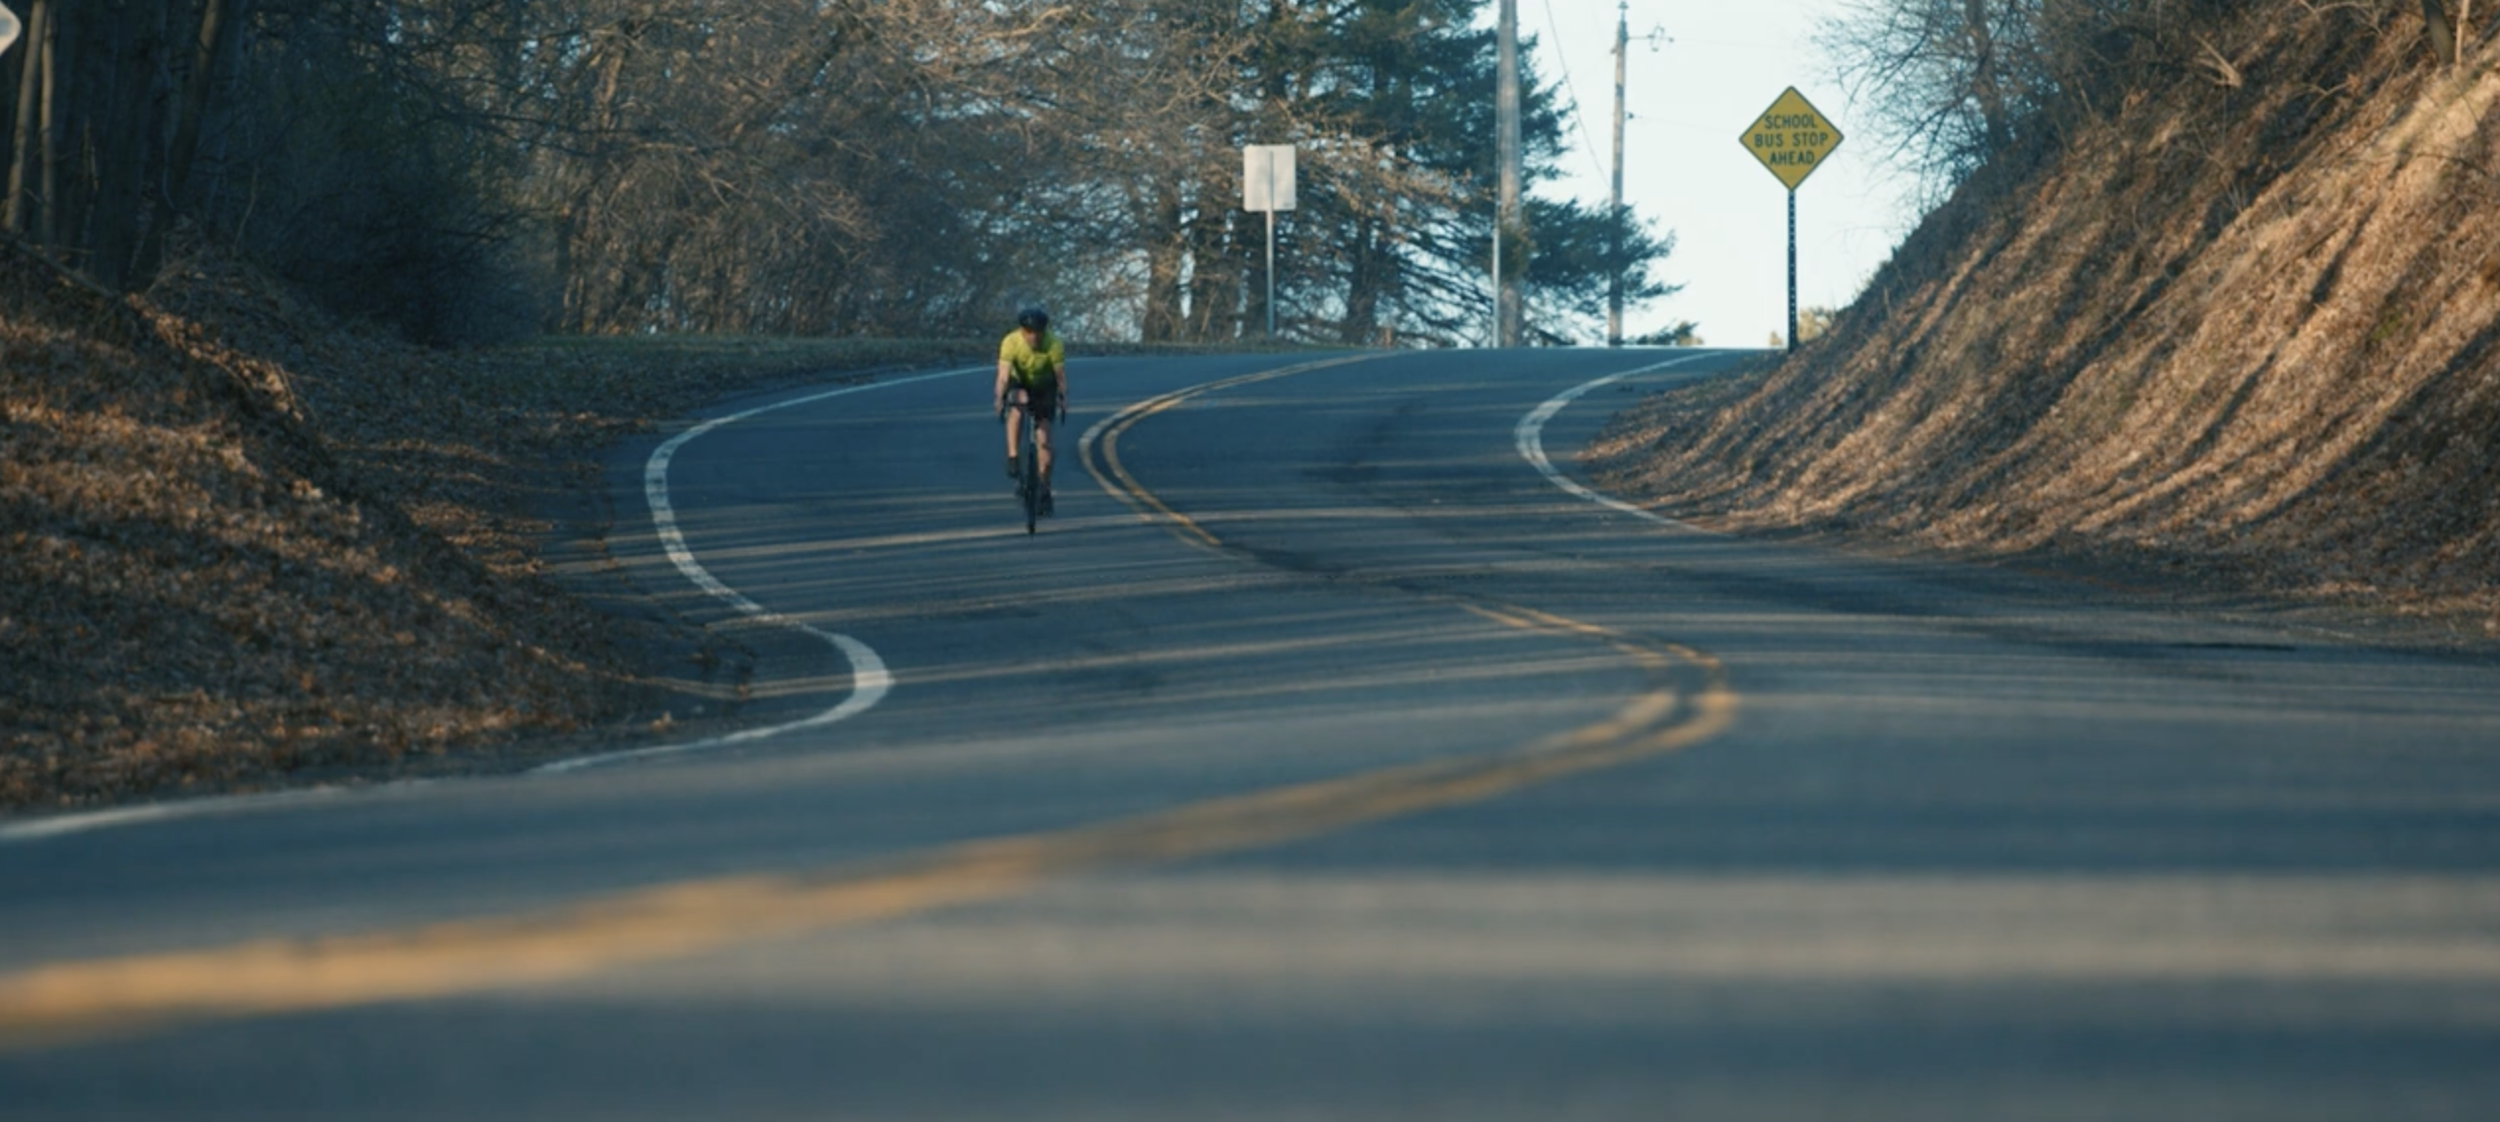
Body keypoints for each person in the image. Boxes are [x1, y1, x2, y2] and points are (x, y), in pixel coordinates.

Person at [995, 305, 1068, 514]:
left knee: (1044, 441)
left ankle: (1044, 488)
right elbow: (1002, 375)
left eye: (1038, 332)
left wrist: (1063, 397)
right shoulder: (1011, 342)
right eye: (1029, 332)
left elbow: (1060, 376)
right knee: (1017, 406)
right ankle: (1013, 455)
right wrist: (999, 398)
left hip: (1045, 384)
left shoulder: (1053, 343)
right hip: (1019, 381)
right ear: (1022, 331)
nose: (1033, 337)